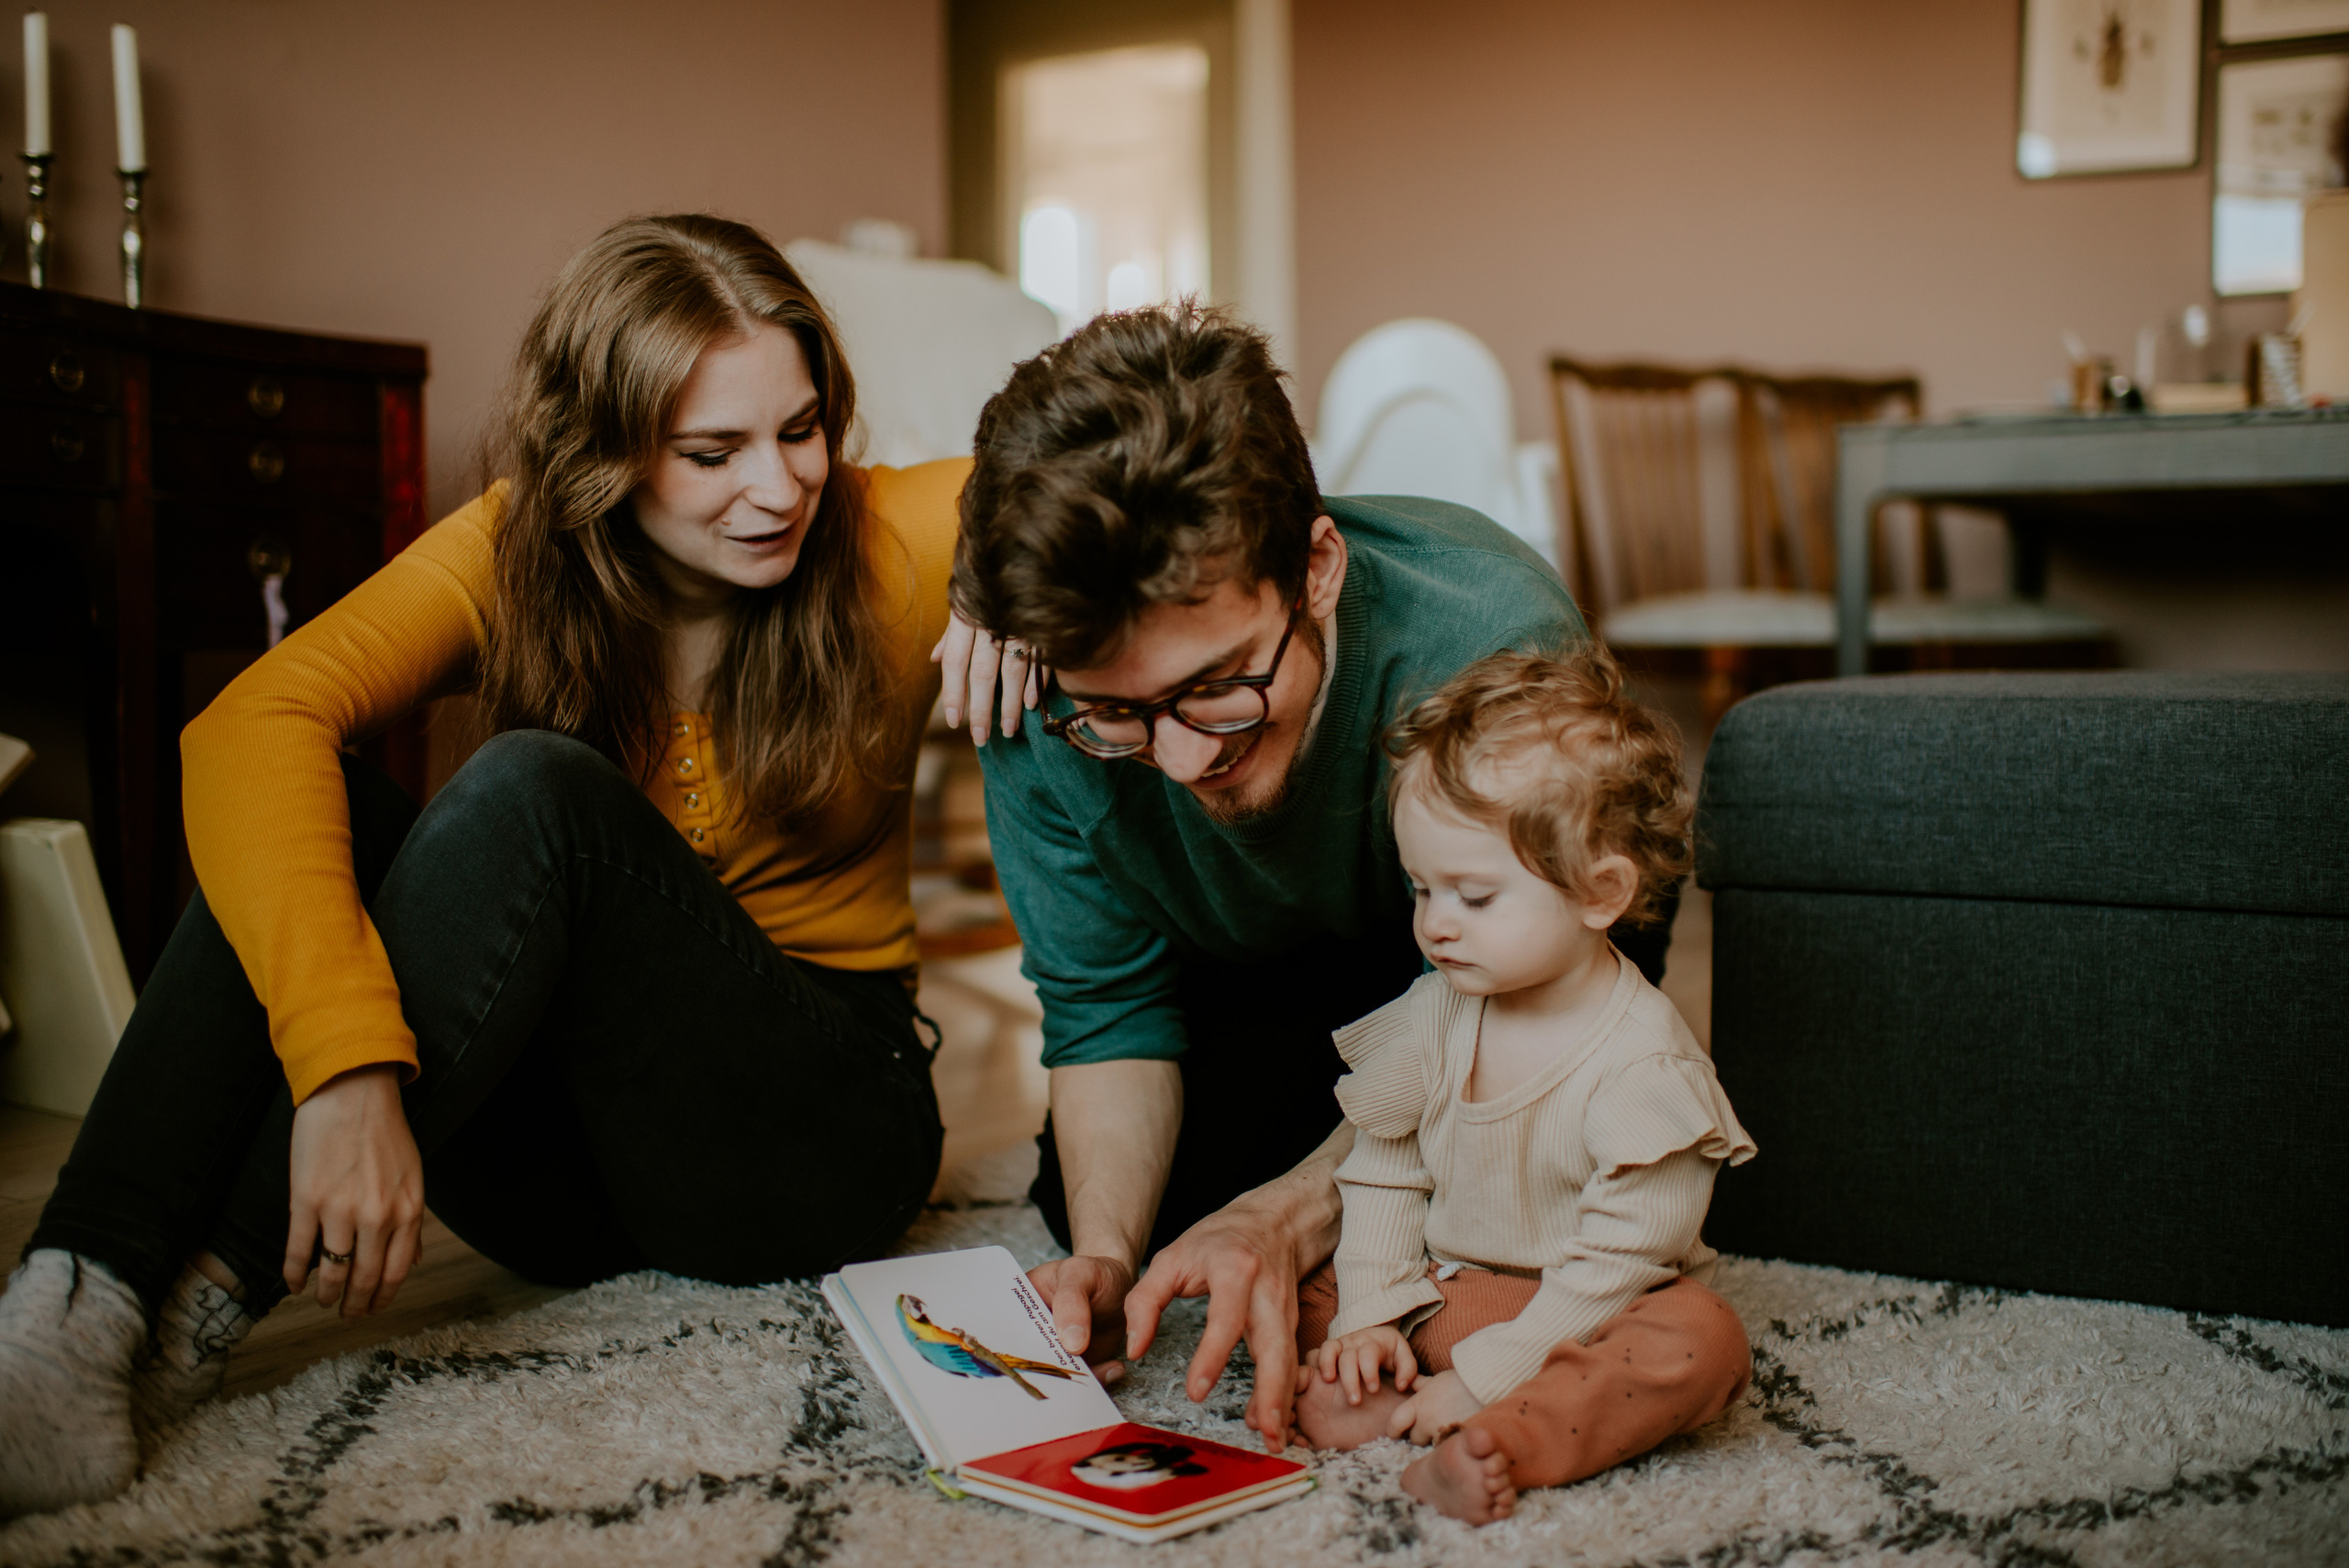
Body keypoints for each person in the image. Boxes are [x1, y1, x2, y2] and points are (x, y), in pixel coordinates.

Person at [0, 215, 971, 1517]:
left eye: (800, 430)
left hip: (815, 1141)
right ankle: (81, 1301)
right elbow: (249, 723)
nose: (781, 485)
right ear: (606, 455)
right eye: (713, 451)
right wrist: (344, 1063)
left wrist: (1022, 588)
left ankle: (207, 1302)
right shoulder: (526, 551)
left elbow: (1131, 473)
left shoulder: (888, 533)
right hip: (576, 1178)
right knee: (309, 792)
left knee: (534, 788)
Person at [936, 301, 1675, 1450]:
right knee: (1160, 1213)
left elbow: (1541, 981)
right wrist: (1102, 1256)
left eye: (1221, 682)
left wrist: (1292, 1209)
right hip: (1247, 974)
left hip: (1502, 964)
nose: (1184, 759)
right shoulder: (1032, 695)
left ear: (1317, 568)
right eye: (1121, 715)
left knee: (1551, 1141)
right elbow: (1107, 1009)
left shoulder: (1490, 644)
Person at [1288, 648, 1753, 1523]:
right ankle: (1386, 1387)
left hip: (1586, 1309)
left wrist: (1486, 1375)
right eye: (1423, 888)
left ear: (1600, 892)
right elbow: (1386, 1171)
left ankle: (1501, 1436)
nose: (1435, 924)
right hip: (1446, 1287)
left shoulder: (1644, 1065)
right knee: (1309, 1283)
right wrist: (1369, 1313)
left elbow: (1622, 1259)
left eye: (1474, 895)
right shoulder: (1435, 1010)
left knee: (1702, 1341)